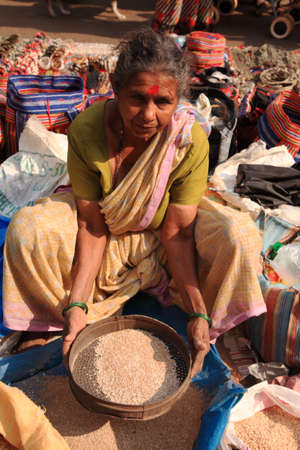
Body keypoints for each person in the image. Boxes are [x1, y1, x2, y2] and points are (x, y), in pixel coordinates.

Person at [2, 29, 266, 377]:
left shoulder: (187, 142)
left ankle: (213, 327)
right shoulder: (86, 131)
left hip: (165, 237)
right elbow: (91, 225)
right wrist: (77, 304)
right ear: (115, 87)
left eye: (162, 102)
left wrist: (198, 310)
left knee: (239, 234)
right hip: (104, 234)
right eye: (137, 98)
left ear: (179, 98)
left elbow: (179, 232)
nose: (148, 115)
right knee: (28, 229)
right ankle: (49, 325)